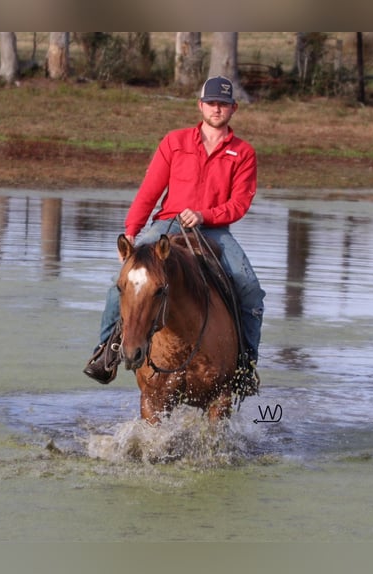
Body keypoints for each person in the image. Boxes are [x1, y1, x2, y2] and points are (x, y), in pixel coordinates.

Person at [83, 76, 265, 390]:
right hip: (168, 224)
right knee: (126, 281)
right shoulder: (175, 142)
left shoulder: (243, 152)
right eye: (211, 103)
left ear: (233, 108)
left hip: (215, 229)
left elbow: (240, 202)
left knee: (250, 289)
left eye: (223, 104)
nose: (217, 109)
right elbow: (150, 190)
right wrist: (131, 231)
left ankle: (244, 367)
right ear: (201, 106)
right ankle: (106, 352)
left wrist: (205, 214)